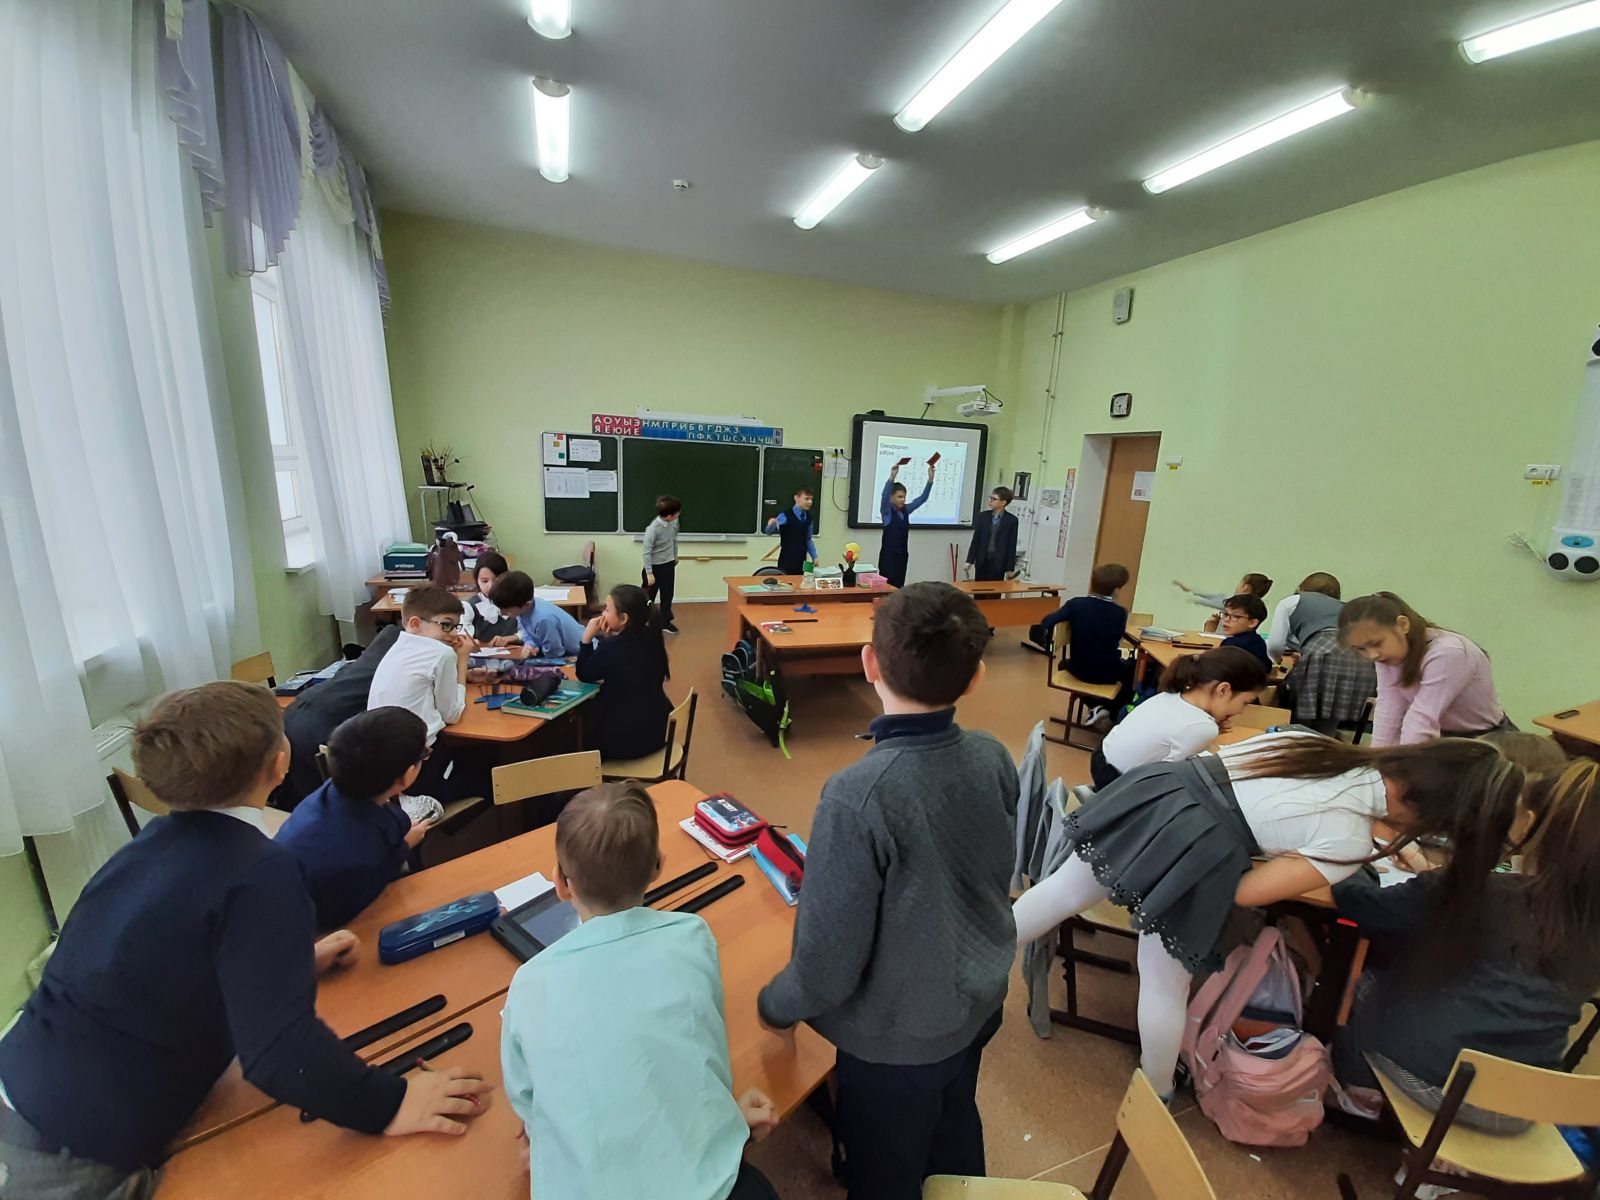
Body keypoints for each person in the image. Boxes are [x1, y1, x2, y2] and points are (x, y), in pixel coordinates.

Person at [0, 682, 491, 1199]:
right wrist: (391, 1104)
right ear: (280, 764)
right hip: (71, 1147)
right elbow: (281, 1053)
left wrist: (283, 962)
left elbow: (154, 957)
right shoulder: (261, 871)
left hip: (24, 1077)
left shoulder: (145, 846)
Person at [1013, 732, 1528, 1099]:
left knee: (1060, 894)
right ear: (1429, 816)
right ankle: (1157, 1088)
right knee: (1165, 980)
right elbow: (1246, 892)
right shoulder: (1348, 839)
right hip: (1197, 845)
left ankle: (972, 959)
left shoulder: (1314, 746)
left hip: (1163, 790)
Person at [758, 582, 1017, 1200]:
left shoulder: (858, 795)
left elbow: (825, 969)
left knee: (884, 1170)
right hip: (977, 1001)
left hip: (897, 1044)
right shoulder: (992, 756)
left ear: (869, 663)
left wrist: (773, 1005)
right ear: (976, 677)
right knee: (953, 1121)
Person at [501, 782, 781, 1200]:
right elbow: (704, 1050)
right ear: (658, 866)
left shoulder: (529, 983)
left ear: (560, 883)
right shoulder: (692, 935)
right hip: (717, 1184)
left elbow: (528, 1101)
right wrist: (725, 1119)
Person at [1331, 751, 1596, 1139]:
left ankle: (1358, 1092)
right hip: (1521, 1108)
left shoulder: (1487, 892)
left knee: (1363, 978)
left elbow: (1361, 906)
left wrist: (1349, 854)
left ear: (1528, 823)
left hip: (1436, 1085)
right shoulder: (1582, 920)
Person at [276, 707, 435, 930]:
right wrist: (405, 845)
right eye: (424, 754)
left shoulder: (329, 791)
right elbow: (375, 878)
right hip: (320, 928)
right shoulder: (361, 858)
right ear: (407, 776)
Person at [1339, 592, 1512, 746]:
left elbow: (1422, 718)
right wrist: (1378, 759)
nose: (1372, 655)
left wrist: (1400, 763)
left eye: (1376, 643)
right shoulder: (1388, 655)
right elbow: (1388, 708)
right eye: (1361, 649)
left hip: (1484, 741)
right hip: (1444, 738)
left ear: (1403, 625)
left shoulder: (1449, 652)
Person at [366, 586, 483, 803]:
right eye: (446, 625)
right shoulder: (442, 653)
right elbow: (452, 714)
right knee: (491, 770)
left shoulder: (397, 647)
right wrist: (463, 659)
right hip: (420, 768)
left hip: (385, 766)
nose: (454, 634)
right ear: (415, 624)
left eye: (456, 626)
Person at [1090, 647, 1267, 788]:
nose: (1242, 711)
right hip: (1117, 783)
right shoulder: (1202, 727)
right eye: (1245, 702)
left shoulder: (1173, 695)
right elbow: (1169, 778)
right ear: (1223, 689)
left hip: (1101, 757)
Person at [274, 625, 399, 810]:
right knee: (328, 802)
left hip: (297, 709)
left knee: (300, 797)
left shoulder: (389, 635)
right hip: (320, 724)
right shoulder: (415, 653)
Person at [574, 584, 673, 763]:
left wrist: (586, 639)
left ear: (624, 618)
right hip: (658, 733)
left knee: (579, 716)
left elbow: (584, 674)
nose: (602, 613)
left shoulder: (610, 647)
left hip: (625, 743)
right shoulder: (651, 637)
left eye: (607, 609)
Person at [1270, 573, 1375, 737]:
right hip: (1361, 660)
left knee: (1299, 718)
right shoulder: (1345, 607)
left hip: (1323, 652)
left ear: (1301, 588)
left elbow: (1275, 644)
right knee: (1329, 721)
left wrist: (1275, 663)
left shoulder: (1293, 600)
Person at [1034, 563, 1134, 720]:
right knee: (1133, 673)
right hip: (1109, 673)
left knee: (1063, 665)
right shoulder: (1120, 613)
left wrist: (1049, 643)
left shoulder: (1076, 604)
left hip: (1080, 668)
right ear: (1116, 590)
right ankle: (1113, 712)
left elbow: (1048, 621)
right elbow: (1118, 637)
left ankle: (1097, 706)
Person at [487, 570, 586, 658]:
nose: (502, 613)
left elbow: (555, 652)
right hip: (561, 650)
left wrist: (537, 651)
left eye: (506, 610)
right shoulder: (522, 609)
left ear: (527, 604)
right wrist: (530, 646)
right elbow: (528, 634)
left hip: (581, 653)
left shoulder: (543, 619)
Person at [878, 461, 934, 589]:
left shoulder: (906, 510)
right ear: (891, 497)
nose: (903, 499)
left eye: (904, 497)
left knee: (899, 587)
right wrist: (892, 477)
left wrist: (930, 480)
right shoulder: (887, 512)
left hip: (902, 556)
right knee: (887, 588)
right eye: (899, 497)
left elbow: (922, 498)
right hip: (889, 557)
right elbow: (884, 496)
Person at [642, 495, 682, 635]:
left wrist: (674, 555)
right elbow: (646, 552)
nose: (679, 514)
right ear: (670, 515)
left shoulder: (674, 523)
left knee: (667, 595)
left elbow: (673, 539)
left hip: (668, 565)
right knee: (648, 597)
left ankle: (665, 622)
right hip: (653, 568)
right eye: (677, 512)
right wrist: (649, 572)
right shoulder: (653, 529)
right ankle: (643, 621)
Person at [1174, 572, 1272, 629]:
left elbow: (1215, 600)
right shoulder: (1256, 607)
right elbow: (1218, 597)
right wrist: (1191, 590)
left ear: (1245, 587)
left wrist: (1193, 598)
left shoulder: (1238, 605)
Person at [462, 551, 519, 645]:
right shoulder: (469, 606)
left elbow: (530, 631)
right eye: (484, 581)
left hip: (515, 650)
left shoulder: (517, 601)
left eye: (496, 580)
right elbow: (463, 636)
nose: (491, 586)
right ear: (477, 580)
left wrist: (513, 638)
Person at [965, 486, 1018, 581]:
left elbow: (1012, 545)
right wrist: (969, 560)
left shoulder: (1011, 520)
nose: (990, 501)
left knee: (994, 589)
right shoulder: (983, 516)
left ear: (1003, 502)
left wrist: (1010, 568)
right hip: (982, 560)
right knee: (979, 588)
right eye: (990, 498)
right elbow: (976, 540)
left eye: (994, 499)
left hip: (999, 563)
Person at [764, 487, 818, 576]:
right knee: (785, 582)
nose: (810, 502)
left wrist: (814, 556)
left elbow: (808, 540)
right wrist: (771, 524)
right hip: (786, 561)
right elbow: (769, 532)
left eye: (811, 499)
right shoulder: (785, 515)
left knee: (799, 582)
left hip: (801, 560)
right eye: (806, 499)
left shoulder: (809, 518)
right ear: (796, 498)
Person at [1217, 593, 1271, 669]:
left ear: (1252, 623)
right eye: (1226, 614)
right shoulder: (1260, 642)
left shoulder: (1230, 645)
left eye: (1235, 616)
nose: (1226, 620)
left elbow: (1217, 669)